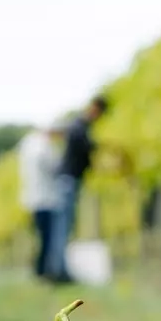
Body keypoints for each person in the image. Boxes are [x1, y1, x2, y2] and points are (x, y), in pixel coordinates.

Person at [48, 95, 108, 283]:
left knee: (63, 227)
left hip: (67, 181)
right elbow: (84, 147)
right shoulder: (78, 126)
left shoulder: (79, 126)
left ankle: (58, 270)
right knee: (63, 227)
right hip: (68, 180)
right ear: (96, 109)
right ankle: (59, 272)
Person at [17, 125, 63, 280]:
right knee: (47, 238)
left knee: (42, 237)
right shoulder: (42, 148)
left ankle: (41, 270)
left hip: (35, 200)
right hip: (45, 200)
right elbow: (54, 167)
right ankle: (43, 271)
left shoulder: (28, 146)